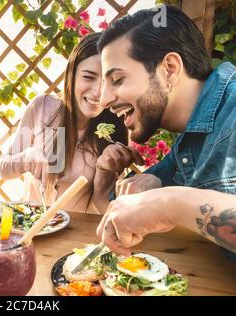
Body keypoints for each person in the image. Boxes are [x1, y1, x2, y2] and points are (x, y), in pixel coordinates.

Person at [96, 6, 236, 254]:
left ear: (170, 68)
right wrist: (156, 186)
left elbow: (167, 204)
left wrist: (169, 204)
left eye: (117, 79)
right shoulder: (188, 141)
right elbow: (122, 208)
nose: (104, 99)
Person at [0, 33, 142, 213]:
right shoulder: (42, 107)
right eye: (89, 77)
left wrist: (104, 172)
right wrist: (24, 158)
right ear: (72, 75)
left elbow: (105, 207)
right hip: (33, 227)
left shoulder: (115, 126)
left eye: (109, 81)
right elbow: (4, 170)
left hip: (77, 234)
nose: (98, 93)